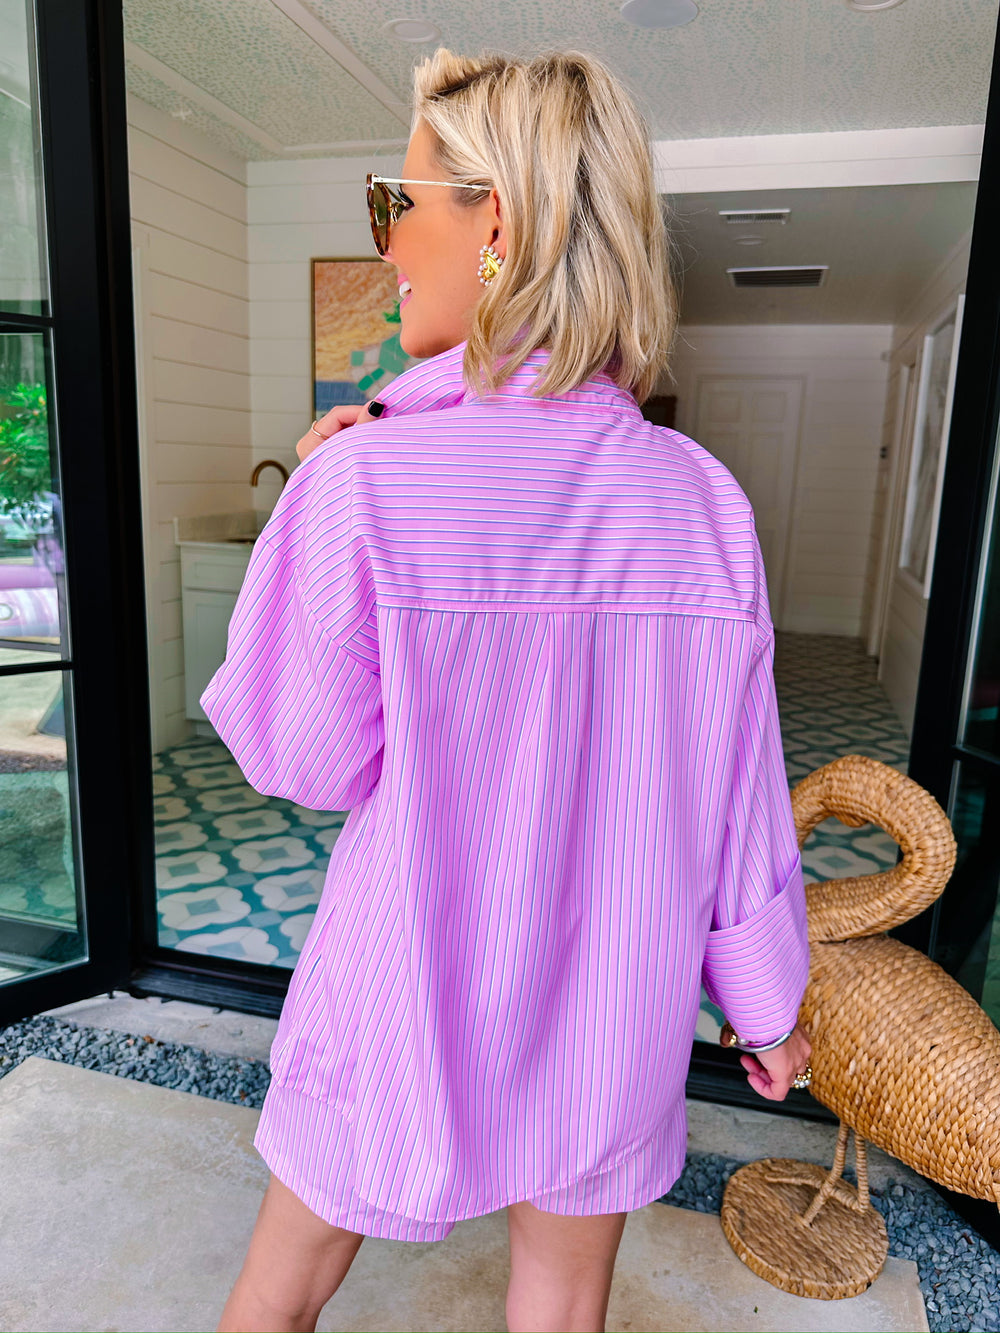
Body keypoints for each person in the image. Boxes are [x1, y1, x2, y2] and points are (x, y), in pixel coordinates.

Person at [205, 47, 812, 1333]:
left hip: (400, 1003)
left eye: (396, 202)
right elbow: (740, 793)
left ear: (499, 224)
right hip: (611, 1012)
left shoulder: (360, 485)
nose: (384, 242)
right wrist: (764, 1007)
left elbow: (299, 759)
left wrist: (306, 512)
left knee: (275, 1299)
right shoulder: (705, 506)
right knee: (561, 1306)